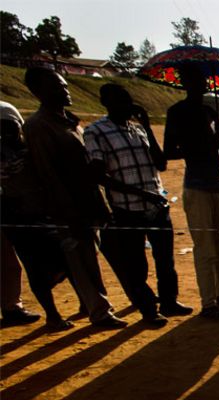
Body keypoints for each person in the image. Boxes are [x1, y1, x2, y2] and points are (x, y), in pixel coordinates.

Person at [22, 67, 126, 329]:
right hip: (69, 207)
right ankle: (99, 311)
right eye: (57, 86)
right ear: (38, 92)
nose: (65, 90)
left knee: (94, 256)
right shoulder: (38, 127)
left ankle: (89, 302)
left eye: (65, 85)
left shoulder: (72, 122)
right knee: (81, 260)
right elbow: (48, 175)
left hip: (90, 200)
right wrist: (67, 213)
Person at [85, 83, 191, 326]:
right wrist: (142, 195)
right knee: (136, 264)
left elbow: (161, 164)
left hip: (157, 206)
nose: (127, 106)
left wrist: (146, 126)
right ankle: (147, 309)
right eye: (120, 101)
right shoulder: (96, 131)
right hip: (127, 209)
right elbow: (99, 175)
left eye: (128, 100)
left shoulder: (138, 130)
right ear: (106, 103)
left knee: (165, 260)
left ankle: (169, 301)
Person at [165, 63, 219, 320]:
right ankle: (208, 303)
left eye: (202, 80)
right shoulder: (177, 112)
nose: (201, 84)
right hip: (196, 186)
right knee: (205, 248)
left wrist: (218, 138)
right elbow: (168, 152)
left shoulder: (210, 111)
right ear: (185, 83)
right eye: (194, 80)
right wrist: (197, 144)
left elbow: (218, 152)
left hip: (218, 184)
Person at [0, 101, 70, 329]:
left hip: (35, 215)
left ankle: (15, 305)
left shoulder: (29, 150)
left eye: (8, 127)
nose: (4, 133)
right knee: (13, 265)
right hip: (13, 217)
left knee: (59, 258)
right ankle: (13, 308)